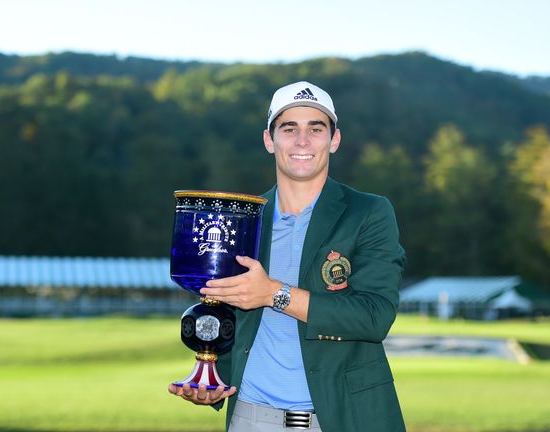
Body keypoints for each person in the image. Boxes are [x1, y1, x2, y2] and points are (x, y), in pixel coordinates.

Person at [168, 81, 406, 431]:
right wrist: (212, 377)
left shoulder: (367, 212)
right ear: (269, 139)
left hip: (341, 418)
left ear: (334, 140)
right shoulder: (243, 220)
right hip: (251, 418)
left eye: (316, 128)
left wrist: (274, 294)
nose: (302, 141)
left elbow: (374, 317)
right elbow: (227, 316)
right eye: (289, 128)